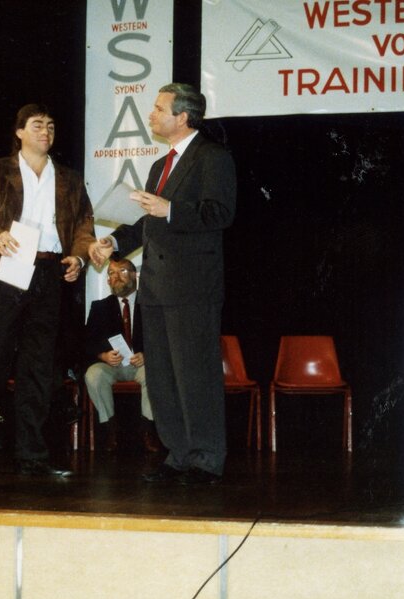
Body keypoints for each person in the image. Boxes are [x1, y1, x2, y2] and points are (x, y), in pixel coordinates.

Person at [89, 83, 236, 485]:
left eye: (158, 109)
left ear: (182, 117)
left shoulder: (213, 157)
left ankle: (206, 459)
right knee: (165, 377)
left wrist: (171, 209)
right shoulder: (160, 165)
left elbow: (220, 212)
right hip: (155, 289)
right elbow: (147, 220)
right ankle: (179, 454)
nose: (151, 114)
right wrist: (114, 241)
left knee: (195, 376)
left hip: (192, 288)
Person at [0, 103, 95, 476]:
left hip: (49, 269)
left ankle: (32, 454)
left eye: (50, 126)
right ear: (19, 132)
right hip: (10, 266)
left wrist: (79, 258)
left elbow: (84, 222)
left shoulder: (68, 178)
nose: (45, 132)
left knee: (40, 364)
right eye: (37, 125)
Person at [83, 256, 160, 452]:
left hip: (142, 364)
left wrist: (147, 354)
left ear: (135, 275)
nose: (116, 276)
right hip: (112, 365)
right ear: (107, 280)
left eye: (123, 271)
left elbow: (164, 338)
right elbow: (87, 342)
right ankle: (110, 430)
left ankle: (149, 431)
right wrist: (103, 355)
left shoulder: (151, 305)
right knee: (94, 374)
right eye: (111, 273)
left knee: (154, 375)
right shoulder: (99, 307)